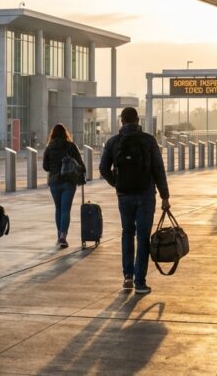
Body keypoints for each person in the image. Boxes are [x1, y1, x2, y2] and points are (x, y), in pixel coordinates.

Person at [99, 107, 170, 296]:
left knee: (127, 233)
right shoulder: (148, 140)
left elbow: (103, 168)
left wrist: (117, 184)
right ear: (138, 121)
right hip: (146, 194)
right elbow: (158, 169)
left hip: (124, 195)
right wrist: (165, 196)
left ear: (121, 121)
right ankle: (140, 282)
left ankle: (127, 277)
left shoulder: (113, 142)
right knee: (143, 236)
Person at [42, 124, 85, 248]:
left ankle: (59, 235)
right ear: (65, 134)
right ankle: (63, 237)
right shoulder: (71, 146)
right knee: (66, 209)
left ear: (53, 134)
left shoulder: (49, 148)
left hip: (54, 182)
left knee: (58, 209)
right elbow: (81, 165)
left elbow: (45, 167)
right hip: (69, 182)